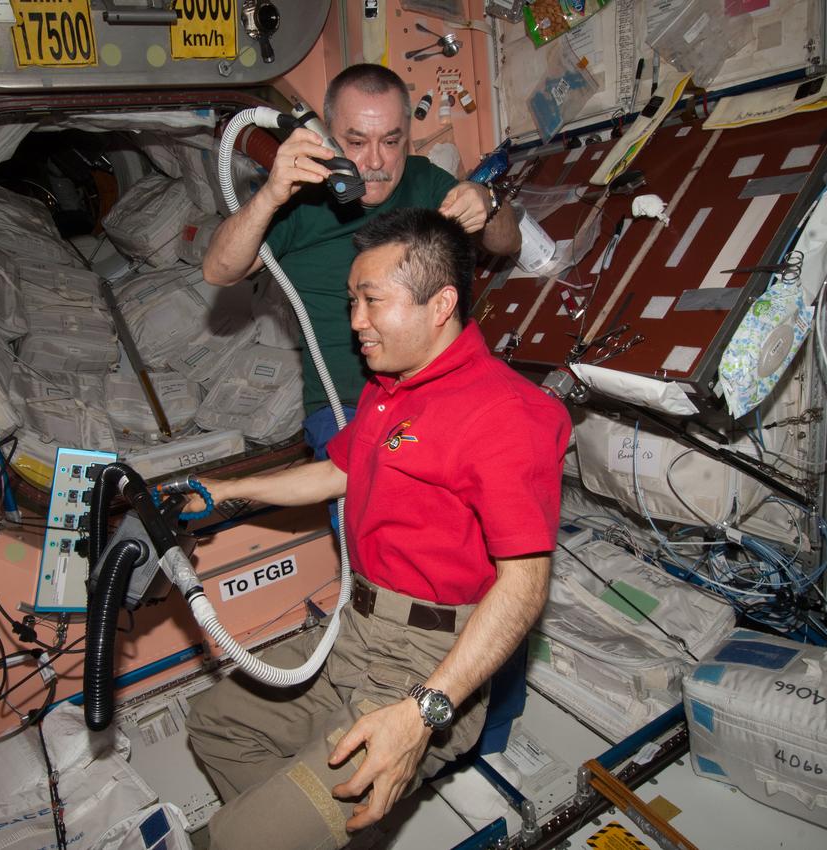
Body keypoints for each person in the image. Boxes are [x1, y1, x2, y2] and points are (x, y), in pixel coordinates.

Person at [185, 208, 570, 850]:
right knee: (215, 723)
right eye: (351, 301)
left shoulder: (507, 416)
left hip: (427, 663)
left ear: (440, 303)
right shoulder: (391, 387)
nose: (355, 321)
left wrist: (425, 713)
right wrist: (225, 492)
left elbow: (526, 586)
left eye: (371, 301)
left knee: (233, 840)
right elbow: (336, 471)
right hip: (354, 633)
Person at [202, 63, 521, 460]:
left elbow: (509, 242)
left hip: (444, 394)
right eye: (355, 142)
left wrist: (486, 200)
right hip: (348, 407)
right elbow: (219, 270)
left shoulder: (424, 179)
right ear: (327, 139)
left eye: (391, 142)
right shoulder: (300, 200)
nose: (374, 162)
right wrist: (271, 194)